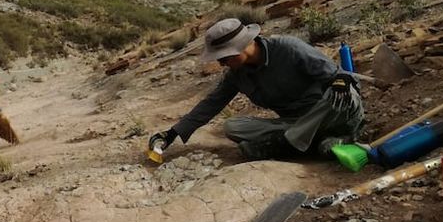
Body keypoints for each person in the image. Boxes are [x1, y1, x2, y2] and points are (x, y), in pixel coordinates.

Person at [149, 18, 364, 161]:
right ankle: (315, 143)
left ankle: (291, 144)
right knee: (233, 126)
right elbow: (211, 104)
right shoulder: (236, 75)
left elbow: (341, 77)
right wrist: (173, 133)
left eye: (224, 58)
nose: (222, 64)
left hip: (329, 114)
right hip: (295, 123)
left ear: (241, 47)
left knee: (342, 93)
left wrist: (341, 81)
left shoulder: (288, 48)